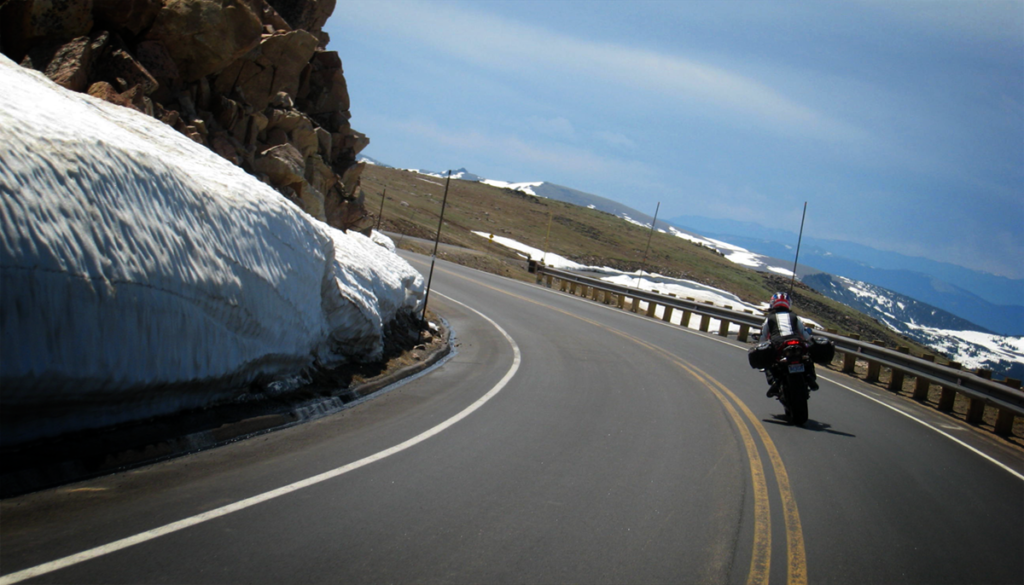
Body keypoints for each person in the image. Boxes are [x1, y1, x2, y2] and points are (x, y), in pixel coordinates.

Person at [760, 291, 818, 397]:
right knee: (807, 357)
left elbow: (763, 336)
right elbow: (804, 333)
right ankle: (810, 377)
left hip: (779, 344)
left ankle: (773, 381)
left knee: (768, 360)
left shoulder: (769, 318)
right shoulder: (794, 316)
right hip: (797, 342)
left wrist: (762, 346)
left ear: (773, 303)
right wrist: (810, 341)